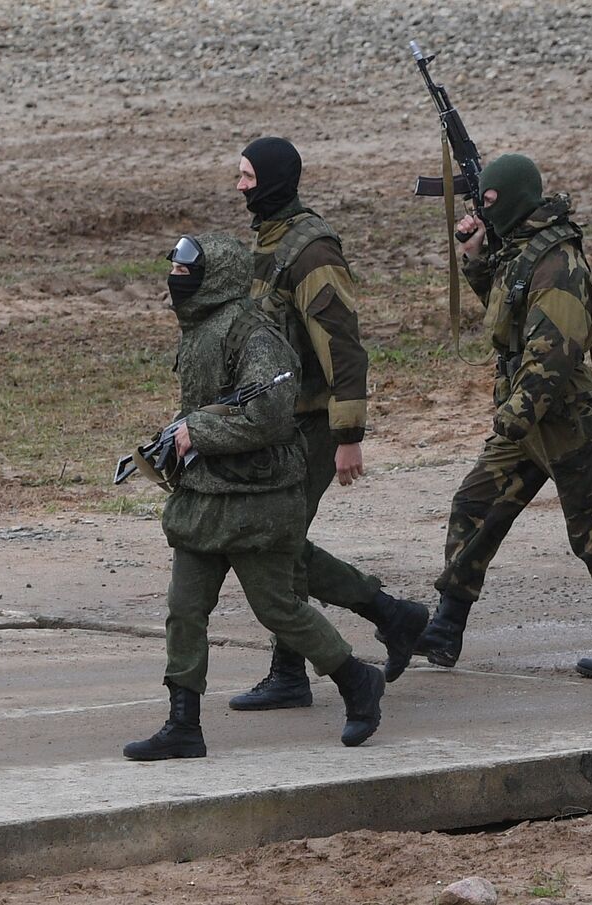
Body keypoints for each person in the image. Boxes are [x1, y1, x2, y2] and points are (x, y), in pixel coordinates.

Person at [123, 234, 386, 760]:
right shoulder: (200, 328)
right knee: (184, 608)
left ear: (213, 277)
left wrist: (200, 434)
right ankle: (183, 725)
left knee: (278, 608)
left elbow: (268, 417)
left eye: (186, 270)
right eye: (174, 270)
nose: (177, 279)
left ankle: (358, 681)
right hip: (204, 496)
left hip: (256, 499)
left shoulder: (252, 333)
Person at [423, 152, 592, 678]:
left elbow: (552, 354)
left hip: (557, 417)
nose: (482, 210)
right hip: (525, 415)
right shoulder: (521, 250)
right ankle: (445, 627)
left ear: (512, 200)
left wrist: (513, 415)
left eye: (488, 201)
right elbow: (506, 312)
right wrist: (476, 257)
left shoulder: (559, 262)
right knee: (476, 505)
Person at [228, 137, 427, 711]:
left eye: (246, 177)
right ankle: (390, 617)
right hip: (277, 426)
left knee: (277, 546)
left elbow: (342, 346)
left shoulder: (310, 253)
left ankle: (306, 664)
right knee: (281, 545)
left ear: (270, 180)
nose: (240, 187)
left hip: (310, 429)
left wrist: (348, 436)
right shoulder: (265, 245)